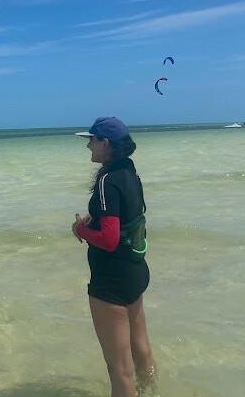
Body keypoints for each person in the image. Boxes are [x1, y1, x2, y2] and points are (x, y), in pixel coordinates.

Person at [72, 117, 157, 397]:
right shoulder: (129, 172)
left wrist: (82, 229)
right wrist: (94, 218)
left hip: (112, 282)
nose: (88, 146)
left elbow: (108, 240)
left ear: (105, 143)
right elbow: (124, 217)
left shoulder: (107, 180)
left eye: (91, 140)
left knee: (119, 370)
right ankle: (152, 392)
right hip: (135, 271)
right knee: (142, 351)